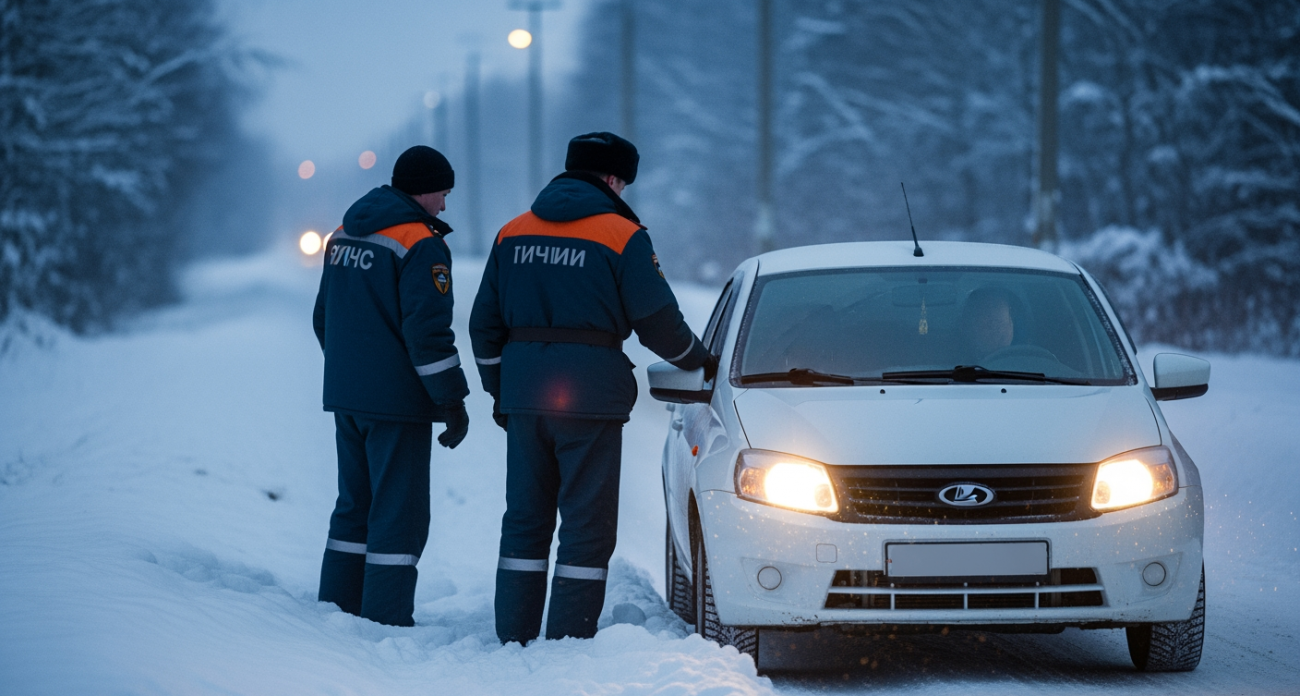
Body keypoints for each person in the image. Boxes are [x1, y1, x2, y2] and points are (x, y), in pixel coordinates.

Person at [470, 132, 715, 643]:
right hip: (589, 401)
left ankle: (513, 634)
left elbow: (483, 326)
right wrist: (698, 360)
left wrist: (501, 391)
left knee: (525, 519)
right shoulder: (622, 235)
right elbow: (657, 322)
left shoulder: (512, 231)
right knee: (586, 523)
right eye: (622, 183)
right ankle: (568, 639)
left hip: (523, 398)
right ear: (611, 179)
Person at [313, 145, 471, 627]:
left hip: (347, 396)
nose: (444, 205)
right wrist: (451, 399)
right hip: (396, 403)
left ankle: (337, 608)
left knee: (353, 505)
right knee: (398, 514)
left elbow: (324, 318)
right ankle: (385, 618)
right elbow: (428, 334)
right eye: (442, 194)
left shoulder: (342, 234)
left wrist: (351, 372)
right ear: (424, 190)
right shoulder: (419, 243)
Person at [962, 287, 1016, 360]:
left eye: (1002, 325)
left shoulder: (1025, 362)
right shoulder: (950, 362)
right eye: (990, 326)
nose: (999, 332)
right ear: (972, 326)